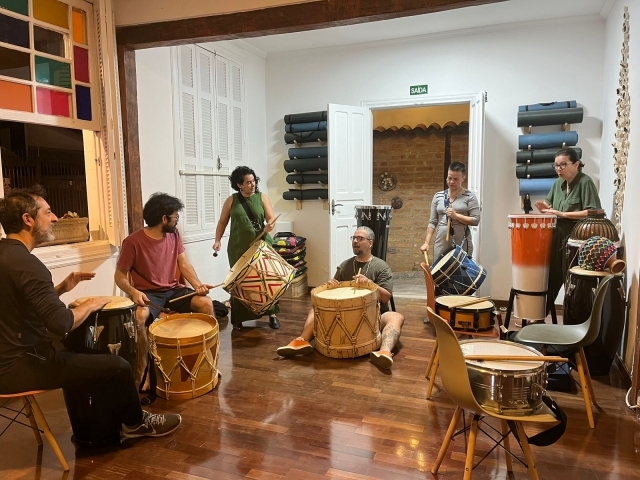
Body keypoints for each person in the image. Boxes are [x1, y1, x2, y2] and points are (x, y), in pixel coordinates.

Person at [0, 186, 180, 438]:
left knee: (83, 346)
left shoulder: (7, 255)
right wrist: (92, 304)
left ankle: (91, 424)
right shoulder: (29, 266)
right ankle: (135, 424)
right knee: (117, 366)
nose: (54, 219)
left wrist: (61, 288)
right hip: (19, 367)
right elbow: (61, 323)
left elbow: (20, 306)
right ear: (27, 220)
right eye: (48, 212)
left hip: (10, 357)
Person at [115, 193, 215, 392]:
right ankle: (142, 372)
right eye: (175, 216)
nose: (177, 220)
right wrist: (133, 292)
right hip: (148, 295)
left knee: (206, 304)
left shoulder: (174, 235)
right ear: (163, 219)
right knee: (139, 317)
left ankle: (208, 360)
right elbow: (119, 276)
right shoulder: (132, 242)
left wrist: (197, 285)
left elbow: (183, 263)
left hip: (173, 291)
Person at [276, 226, 405, 370]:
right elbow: (334, 290)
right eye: (354, 238)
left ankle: (384, 352)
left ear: (370, 243)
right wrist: (331, 285)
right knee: (316, 309)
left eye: (360, 239)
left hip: (375, 316)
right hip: (344, 315)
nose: (355, 241)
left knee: (396, 317)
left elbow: (386, 297)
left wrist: (370, 283)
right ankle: (302, 340)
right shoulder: (345, 265)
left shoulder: (381, 266)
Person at [212, 166, 280, 331]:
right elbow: (222, 222)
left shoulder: (262, 197)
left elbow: (271, 218)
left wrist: (270, 226)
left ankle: (272, 314)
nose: (253, 185)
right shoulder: (231, 200)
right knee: (240, 283)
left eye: (254, 181)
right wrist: (217, 240)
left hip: (261, 245)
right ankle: (239, 318)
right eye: (248, 182)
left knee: (266, 280)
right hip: (237, 247)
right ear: (239, 184)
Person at [535, 147, 602, 306]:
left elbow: (594, 212)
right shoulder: (558, 183)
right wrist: (542, 207)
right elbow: (549, 204)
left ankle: (572, 319)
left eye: (563, 165)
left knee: (572, 280)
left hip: (577, 239)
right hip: (557, 235)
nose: (559, 169)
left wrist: (563, 214)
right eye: (556, 165)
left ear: (576, 164)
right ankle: (539, 316)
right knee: (552, 277)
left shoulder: (585, 182)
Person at [420, 161, 481, 262]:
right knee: (439, 274)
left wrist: (456, 216)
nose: (451, 182)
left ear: (463, 178)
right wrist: (426, 242)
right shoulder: (438, 196)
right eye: (449, 178)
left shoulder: (469, 196)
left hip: (461, 243)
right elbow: (432, 222)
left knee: (459, 275)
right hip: (441, 243)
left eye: (456, 179)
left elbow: (475, 220)